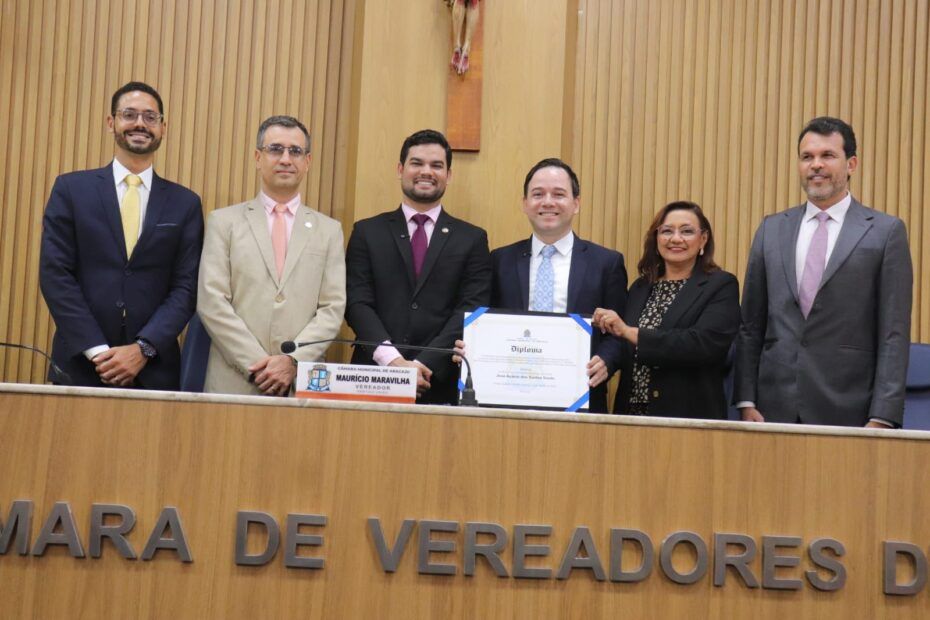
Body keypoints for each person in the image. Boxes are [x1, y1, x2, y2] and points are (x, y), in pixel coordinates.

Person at [733, 117, 912, 427]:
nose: (816, 165)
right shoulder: (771, 230)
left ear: (851, 164)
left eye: (827, 155)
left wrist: (883, 415)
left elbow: (893, 333)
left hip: (851, 410)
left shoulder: (885, 232)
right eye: (807, 157)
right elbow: (751, 325)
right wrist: (746, 400)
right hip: (772, 410)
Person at [39, 81, 203, 389]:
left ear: (163, 127)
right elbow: (55, 275)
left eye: (150, 117)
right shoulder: (71, 190)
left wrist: (143, 349)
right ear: (111, 122)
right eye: (129, 114)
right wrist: (99, 352)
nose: (140, 123)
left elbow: (187, 287)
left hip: (155, 370)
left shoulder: (186, 203)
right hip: (79, 364)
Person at [197, 115, 345, 396]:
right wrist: (260, 365)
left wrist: (291, 362)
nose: (286, 159)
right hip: (234, 381)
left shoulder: (329, 231)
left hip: (299, 383)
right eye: (276, 149)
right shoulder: (223, 222)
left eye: (296, 151)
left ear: (308, 162)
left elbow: (332, 309)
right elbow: (212, 302)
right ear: (257, 157)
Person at [345, 129, 492, 405]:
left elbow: (471, 308)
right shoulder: (367, 232)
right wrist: (393, 363)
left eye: (436, 165)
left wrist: (424, 363)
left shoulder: (472, 239)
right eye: (417, 163)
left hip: (439, 381)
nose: (427, 171)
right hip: (372, 378)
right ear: (400, 169)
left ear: (448, 175)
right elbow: (356, 302)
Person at [487, 158, 627, 413]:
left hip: (580, 397)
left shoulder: (607, 263)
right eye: (538, 194)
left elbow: (619, 333)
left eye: (559, 194)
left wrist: (607, 360)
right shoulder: (499, 260)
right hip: (509, 398)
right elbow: (486, 323)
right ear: (525, 204)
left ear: (576, 204)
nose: (548, 202)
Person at [592, 201, 739, 418]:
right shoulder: (640, 287)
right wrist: (604, 362)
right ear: (657, 238)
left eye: (687, 231)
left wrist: (628, 332)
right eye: (667, 231)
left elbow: (701, 344)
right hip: (630, 415)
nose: (676, 239)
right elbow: (624, 348)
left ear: (703, 239)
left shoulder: (721, 285)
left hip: (687, 417)